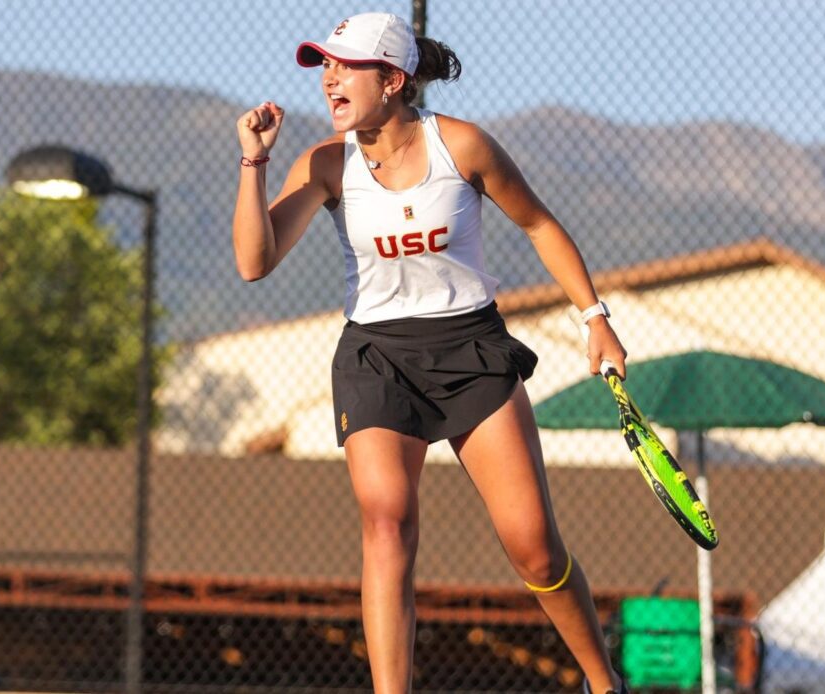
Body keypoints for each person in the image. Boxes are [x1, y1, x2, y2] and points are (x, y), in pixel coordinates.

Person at [232, 12, 630, 694]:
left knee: (534, 547)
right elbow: (253, 261)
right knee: (387, 523)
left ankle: (602, 682)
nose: (328, 76)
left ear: (391, 79)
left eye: (343, 64)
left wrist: (595, 318)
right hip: (376, 357)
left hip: (469, 346)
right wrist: (254, 160)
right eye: (322, 64)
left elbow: (538, 223)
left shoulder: (464, 146)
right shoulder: (326, 164)